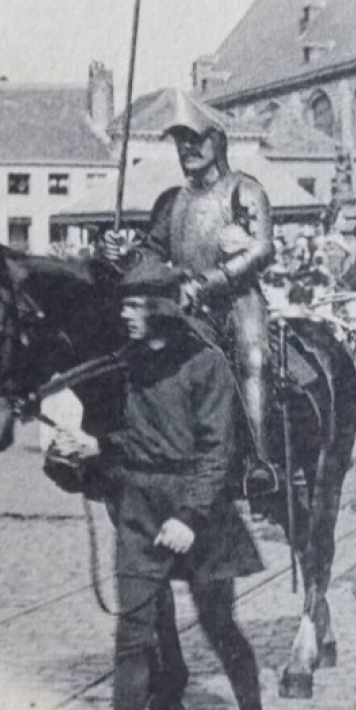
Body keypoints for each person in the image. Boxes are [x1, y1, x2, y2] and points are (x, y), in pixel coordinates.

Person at [46, 260, 270, 710]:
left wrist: (190, 516)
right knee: (132, 634)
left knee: (219, 628)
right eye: (124, 303)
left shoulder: (206, 364)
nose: (125, 314)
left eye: (136, 304)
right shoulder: (126, 364)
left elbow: (217, 452)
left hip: (200, 510)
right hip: (138, 504)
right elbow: (133, 437)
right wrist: (93, 446)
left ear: (164, 308)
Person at [100, 90, 278, 496]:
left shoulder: (243, 190)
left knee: (254, 357)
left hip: (236, 299)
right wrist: (126, 254)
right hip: (185, 303)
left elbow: (262, 248)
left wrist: (208, 280)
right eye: (181, 141)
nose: (188, 148)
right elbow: (153, 254)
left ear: (217, 142)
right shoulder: (171, 201)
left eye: (196, 139)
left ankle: (260, 460)